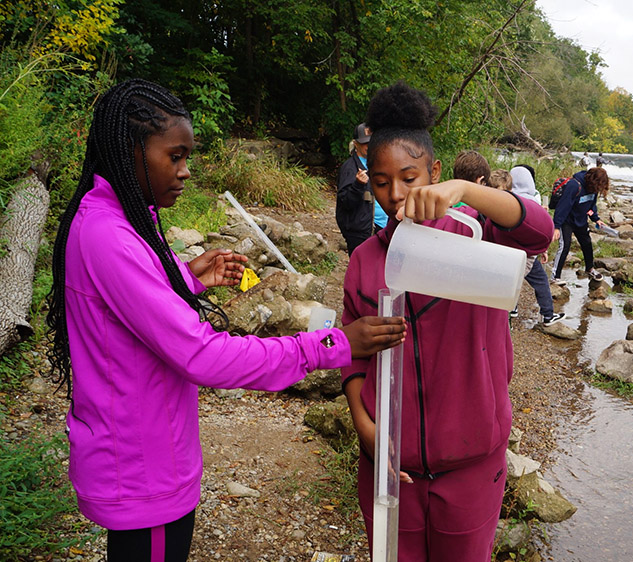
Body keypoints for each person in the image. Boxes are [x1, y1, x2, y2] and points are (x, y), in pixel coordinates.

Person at [45, 79, 406, 562]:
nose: (185, 171)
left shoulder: (123, 215)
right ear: (130, 151)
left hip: (148, 456)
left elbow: (131, 308)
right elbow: (203, 354)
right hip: (141, 471)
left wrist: (185, 278)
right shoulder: (108, 235)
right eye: (174, 156)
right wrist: (333, 344)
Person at [340, 82, 553, 561]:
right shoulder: (365, 260)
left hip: (472, 467)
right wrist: (363, 424)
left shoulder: (477, 240)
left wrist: (465, 191)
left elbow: (540, 231)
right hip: (390, 467)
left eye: (410, 177)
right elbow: (350, 352)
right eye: (380, 181)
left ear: (434, 172)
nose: (395, 194)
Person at [510, 164, 564, 325]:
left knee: (510, 280)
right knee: (541, 281)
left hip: (508, 249)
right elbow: (540, 230)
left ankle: (512, 309)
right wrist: (544, 250)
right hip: (528, 252)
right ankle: (547, 315)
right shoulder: (534, 202)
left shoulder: (505, 199)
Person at [337, 122, 390, 256]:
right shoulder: (350, 168)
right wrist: (358, 185)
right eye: (365, 143)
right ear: (356, 144)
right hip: (361, 232)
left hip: (382, 227)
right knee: (362, 270)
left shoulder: (379, 164)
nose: (369, 146)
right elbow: (345, 202)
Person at [552, 167, 610, 283]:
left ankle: (590, 269)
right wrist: (556, 227)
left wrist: (596, 219)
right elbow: (563, 207)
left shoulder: (594, 189)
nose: (598, 189)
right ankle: (555, 277)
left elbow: (591, 206)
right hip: (567, 220)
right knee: (565, 246)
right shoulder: (574, 185)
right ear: (592, 181)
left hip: (581, 219)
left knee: (587, 243)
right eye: (598, 186)